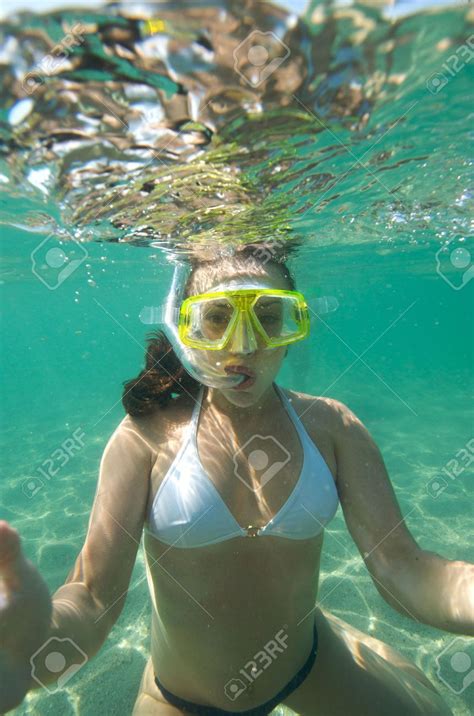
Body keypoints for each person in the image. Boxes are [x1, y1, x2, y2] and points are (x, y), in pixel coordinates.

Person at [1, 248, 472, 716]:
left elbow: (403, 567)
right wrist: (32, 646)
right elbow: (92, 596)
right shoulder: (144, 440)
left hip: (309, 660)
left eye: (270, 317)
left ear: (294, 330)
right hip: (182, 697)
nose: (243, 345)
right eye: (218, 318)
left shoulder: (332, 428)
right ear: (187, 335)